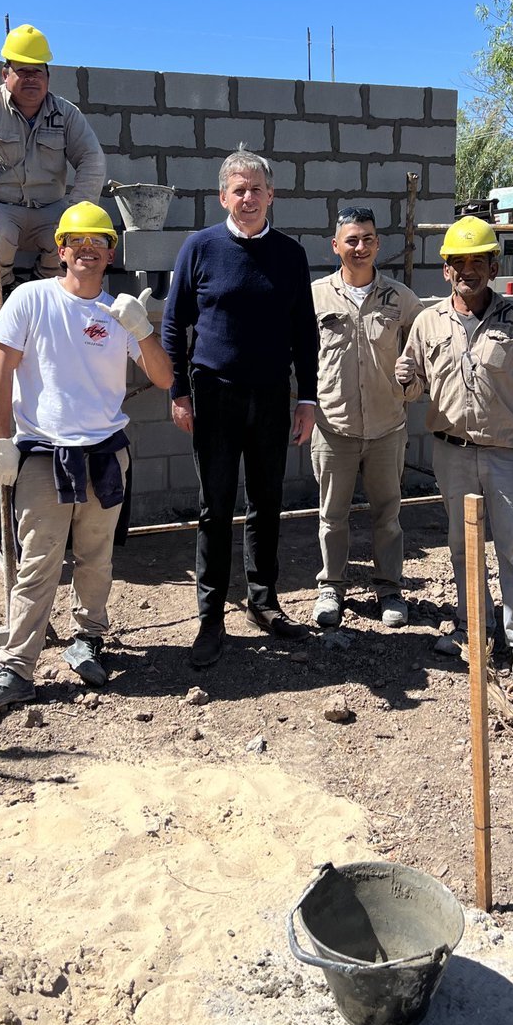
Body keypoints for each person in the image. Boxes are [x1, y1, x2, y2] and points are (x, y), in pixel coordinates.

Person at [0, 202, 174, 713]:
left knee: (96, 559)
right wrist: (1, 440)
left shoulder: (119, 312)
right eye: (76, 242)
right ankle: (16, 669)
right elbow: (0, 372)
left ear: (110, 252)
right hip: (44, 455)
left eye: (97, 243)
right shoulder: (31, 300)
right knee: (38, 564)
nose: (86, 250)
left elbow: (167, 379)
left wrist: (141, 328)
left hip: (104, 454)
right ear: (60, 250)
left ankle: (89, 640)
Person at [161, 148, 318, 669]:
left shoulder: (290, 255)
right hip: (215, 395)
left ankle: (263, 601)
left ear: (271, 195)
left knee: (267, 502)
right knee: (215, 507)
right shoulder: (199, 247)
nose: (248, 198)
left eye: (258, 189)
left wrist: (307, 398)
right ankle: (211, 617)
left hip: (272, 396)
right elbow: (173, 322)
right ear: (223, 195)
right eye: (239, 189)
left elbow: (304, 334)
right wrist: (179, 392)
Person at [395, 216, 513, 684]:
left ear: (493, 264)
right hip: (451, 454)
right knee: (462, 549)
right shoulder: (428, 323)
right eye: (459, 262)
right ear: (446, 270)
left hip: (507, 456)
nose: (469, 270)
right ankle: (475, 633)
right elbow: (414, 387)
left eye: (478, 261)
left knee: (512, 550)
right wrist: (404, 381)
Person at [310, 206, 424, 629]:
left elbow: (425, 349)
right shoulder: (316, 296)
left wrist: (413, 383)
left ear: (378, 244)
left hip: (386, 428)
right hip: (332, 428)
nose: (360, 247)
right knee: (331, 516)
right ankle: (331, 588)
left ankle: (389, 588)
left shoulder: (400, 299)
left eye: (368, 239)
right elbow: (298, 359)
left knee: (387, 515)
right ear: (335, 245)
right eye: (352, 240)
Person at [0, 23, 106, 293]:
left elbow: (92, 158)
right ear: (5, 74)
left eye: (38, 71)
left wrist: (78, 210)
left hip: (50, 208)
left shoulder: (66, 114)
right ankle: (7, 287)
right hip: (1, 206)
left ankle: (41, 284)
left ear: (48, 76)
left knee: (77, 237)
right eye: (23, 71)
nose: (31, 78)